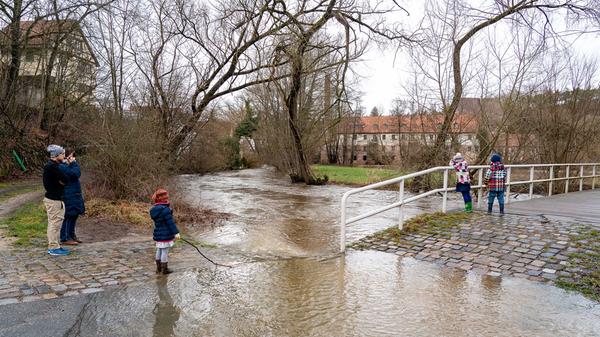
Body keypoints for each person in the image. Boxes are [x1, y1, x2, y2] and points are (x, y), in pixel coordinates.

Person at [43, 145, 70, 256]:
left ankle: (55, 245)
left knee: (55, 224)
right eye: (62, 154)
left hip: (55, 199)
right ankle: (53, 248)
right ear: (56, 155)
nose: (64, 156)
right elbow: (66, 179)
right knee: (54, 224)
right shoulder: (52, 167)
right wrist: (61, 181)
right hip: (54, 200)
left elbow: (64, 180)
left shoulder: (53, 166)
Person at [150, 189, 180, 274]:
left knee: (159, 249)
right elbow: (170, 223)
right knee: (164, 251)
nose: (166, 197)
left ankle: (158, 269)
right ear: (159, 198)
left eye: (166, 195)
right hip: (165, 233)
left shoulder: (154, 209)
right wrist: (176, 233)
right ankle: (164, 269)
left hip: (158, 233)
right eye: (164, 196)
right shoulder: (165, 210)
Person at [60, 150, 85, 245]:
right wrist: (73, 163)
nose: (73, 157)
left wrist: (72, 164)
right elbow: (76, 173)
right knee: (67, 216)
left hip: (74, 194)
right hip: (68, 194)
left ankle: (71, 235)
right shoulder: (62, 166)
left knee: (74, 214)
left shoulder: (67, 166)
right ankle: (65, 237)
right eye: (71, 156)